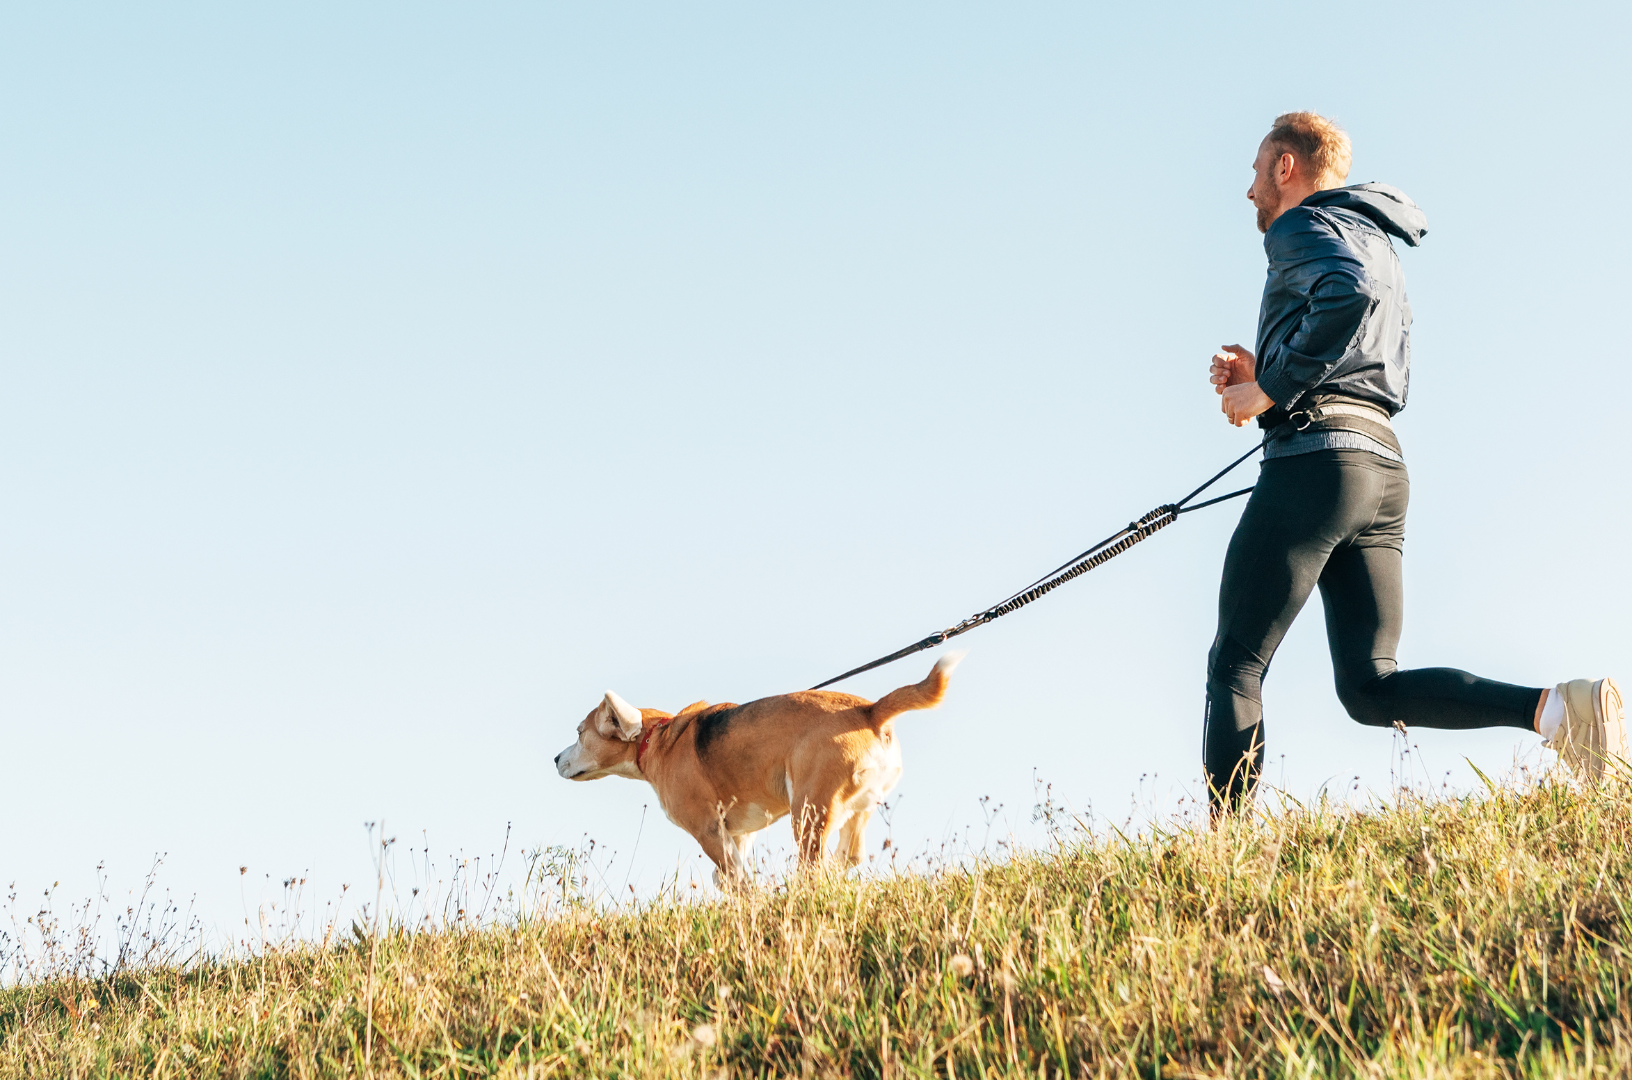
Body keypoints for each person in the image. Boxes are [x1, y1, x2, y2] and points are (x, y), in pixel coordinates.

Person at [1203, 111, 1624, 819]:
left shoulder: (1301, 227)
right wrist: (1266, 374)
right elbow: (1359, 345)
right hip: (1380, 470)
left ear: (1285, 166)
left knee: (1235, 665)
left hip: (1318, 464)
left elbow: (1347, 298)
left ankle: (1225, 855)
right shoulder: (1369, 236)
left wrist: (1270, 387)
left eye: (1255, 170)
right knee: (1370, 687)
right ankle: (1560, 713)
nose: (1249, 191)